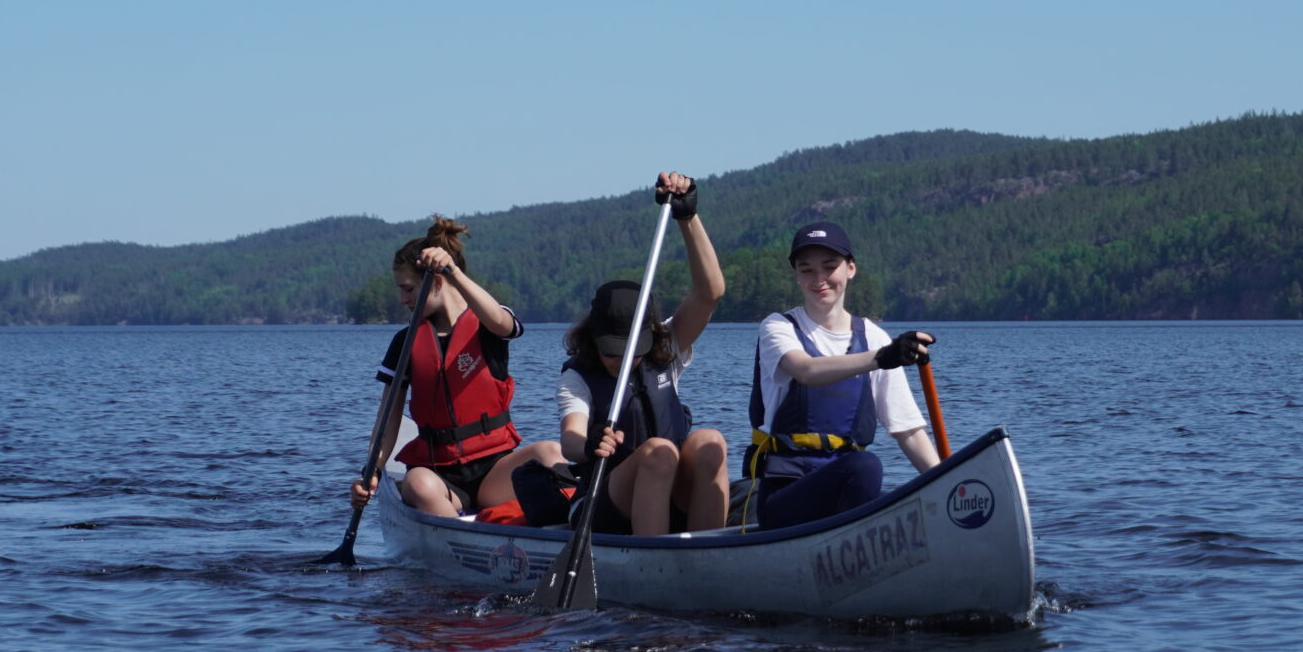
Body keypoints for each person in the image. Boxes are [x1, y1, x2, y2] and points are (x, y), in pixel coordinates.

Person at [553, 172, 731, 535]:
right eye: (612, 352)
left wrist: (687, 217)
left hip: (671, 492)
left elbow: (710, 292)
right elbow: (570, 439)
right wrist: (589, 443)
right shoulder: (578, 377)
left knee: (710, 441)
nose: (622, 361)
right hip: (607, 502)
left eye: (632, 351)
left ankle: (710, 554)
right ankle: (657, 564)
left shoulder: (666, 348)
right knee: (657, 452)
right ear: (594, 338)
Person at [349, 217, 561, 518]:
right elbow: (387, 420)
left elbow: (504, 324)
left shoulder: (488, 324)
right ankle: (462, 545)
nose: (403, 299)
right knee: (417, 484)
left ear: (435, 282)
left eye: (408, 289)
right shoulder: (405, 342)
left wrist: (453, 272)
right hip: (441, 476)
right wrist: (373, 470)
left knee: (551, 453)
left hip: (493, 471)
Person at [746, 220, 939, 531]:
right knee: (865, 466)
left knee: (907, 502)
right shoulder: (778, 327)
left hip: (847, 496)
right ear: (796, 275)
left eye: (829, 266)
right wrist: (882, 358)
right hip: (785, 499)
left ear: (850, 269)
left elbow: (909, 431)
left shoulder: (874, 337)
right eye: (807, 269)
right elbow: (807, 370)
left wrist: (948, 485)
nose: (819, 278)